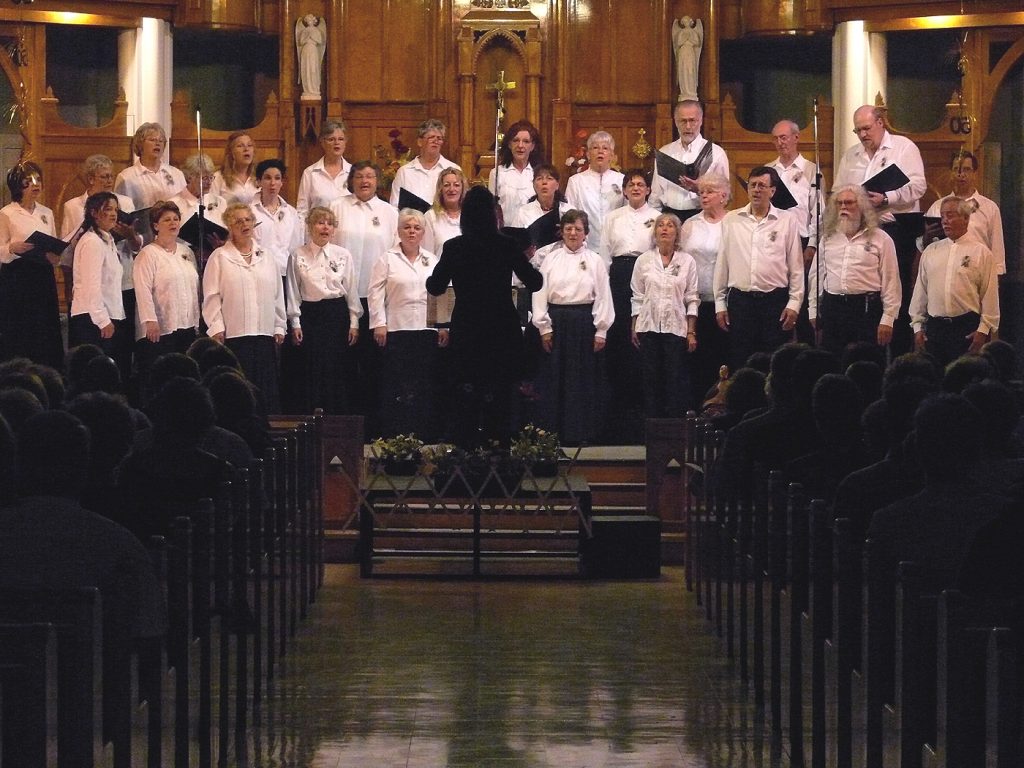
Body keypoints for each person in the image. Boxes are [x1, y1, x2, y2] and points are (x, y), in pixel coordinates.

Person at [0, 409, 167, 640]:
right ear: (84, 469)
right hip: (92, 675)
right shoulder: (119, 547)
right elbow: (150, 632)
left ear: (18, 465)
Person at [426, 186, 542, 447]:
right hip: (502, 327)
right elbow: (535, 282)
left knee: (467, 392)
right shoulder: (507, 245)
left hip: (468, 328)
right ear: (493, 215)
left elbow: (435, 286)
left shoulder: (455, 247)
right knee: (500, 393)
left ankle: (466, 454)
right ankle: (499, 454)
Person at [833, 105, 926, 355]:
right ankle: (864, 346)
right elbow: (837, 190)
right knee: (865, 289)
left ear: (881, 123)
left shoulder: (903, 147)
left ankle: (898, 352)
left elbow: (919, 186)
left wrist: (886, 197)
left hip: (896, 228)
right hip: (859, 231)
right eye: (858, 130)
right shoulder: (851, 156)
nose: (862, 135)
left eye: (866, 128)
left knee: (898, 290)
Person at [531, 210, 614, 444]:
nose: (573, 233)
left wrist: (601, 330)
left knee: (581, 379)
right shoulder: (551, 259)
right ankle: (551, 433)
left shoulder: (595, 260)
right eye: (568, 228)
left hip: (583, 322)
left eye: (578, 229)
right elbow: (540, 293)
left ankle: (580, 433)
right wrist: (544, 327)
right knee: (554, 377)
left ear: (586, 232)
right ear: (562, 231)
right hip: (557, 320)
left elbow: (603, 296)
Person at [713, 166, 803, 372]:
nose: (756, 190)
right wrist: (720, 303)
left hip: (775, 303)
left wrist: (795, 303)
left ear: (772, 191)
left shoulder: (787, 221)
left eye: (762, 185)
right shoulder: (731, 219)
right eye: (752, 185)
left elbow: (796, 266)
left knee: (773, 363)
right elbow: (722, 262)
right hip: (741, 303)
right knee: (741, 361)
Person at [367, 208, 447, 439]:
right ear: (399, 231)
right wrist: (379, 323)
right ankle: (397, 433)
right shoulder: (387, 259)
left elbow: (440, 292)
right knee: (398, 383)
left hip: (425, 329)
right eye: (407, 227)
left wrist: (442, 325)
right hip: (396, 328)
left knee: (424, 382)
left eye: (417, 228)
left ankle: (424, 432)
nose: (412, 232)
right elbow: (375, 293)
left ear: (423, 232)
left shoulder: (431, 260)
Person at [329, 162, 398, 428]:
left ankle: (374, 422)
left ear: (377, 180)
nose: (365, 181)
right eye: (359, 176)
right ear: (351, 181)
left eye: (370, 176)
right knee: (345, 361)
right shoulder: (337, 207)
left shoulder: (389, 212)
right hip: (342, 296)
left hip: (376, 298)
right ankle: (346, 422)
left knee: (374, 363)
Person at [202, 202, 287, 412]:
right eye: (238, 221)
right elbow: (211, 295)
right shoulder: (220, 257)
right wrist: (216, 327)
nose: (244, 224)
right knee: (240, 389)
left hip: (264, 334)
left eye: (247, 220)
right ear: (230, 227)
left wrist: (279, 326)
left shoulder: (266, 256)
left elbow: (277, 294)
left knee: (266, 390)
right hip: (235, 335)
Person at [807, 184, 901, 355]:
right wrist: (813, 310)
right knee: (832, 363)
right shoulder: (827, 239)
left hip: (865, 310)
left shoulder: (881, 239)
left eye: (849, 203)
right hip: (832, 309)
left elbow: (891, 280)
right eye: (839, 203)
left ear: (862, 207)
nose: (843, 207)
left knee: (865, 364)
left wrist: (888, 318)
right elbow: (816, 277)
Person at [601, 169, 659, 440]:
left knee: (643, 336)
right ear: (624, 191)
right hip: (619, 275)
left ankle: (642, 403)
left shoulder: (657, 217)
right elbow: (604, 255)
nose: (636, 188)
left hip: (647, 273)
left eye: (640, 184)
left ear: (648, 190)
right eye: (631, 184)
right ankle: (619, 405)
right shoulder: (612, 218)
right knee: (620, 335)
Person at [286, 206, 362, 414]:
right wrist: (295, 323)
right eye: (320, 222)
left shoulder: (343, 255)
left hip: (337, 315)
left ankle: (336, 419)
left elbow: (351, 290)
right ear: (310, 226)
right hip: (310, 315)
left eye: (329, 223)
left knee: (337, 368)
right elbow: (293, 290)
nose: (325, 227)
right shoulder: (297, 255)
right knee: (311, 368)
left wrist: (354, 321)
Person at [909, 197, 999, 369]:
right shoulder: (931, 251)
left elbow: (990, 294)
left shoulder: (981, 252)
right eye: (942, 216)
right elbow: (920, 292)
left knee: (964, 379)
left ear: (965, 218)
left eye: (950, 215)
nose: (945, 221)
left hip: (966, 328)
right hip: (935, 329)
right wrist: (918, 326)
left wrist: (983, 330)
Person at [629, 212, 699, 418]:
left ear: (677, 233)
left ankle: (673, 429)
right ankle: (652, 427)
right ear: (655, 232)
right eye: (661, 225)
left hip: (676, 328)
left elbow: (692, 297)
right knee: (650, 380)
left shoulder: (687, 261)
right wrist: (635, 324)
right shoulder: (643, 260)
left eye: (670, 225)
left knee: (674, 379)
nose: (665, 228)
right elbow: (637, 295)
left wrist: (691, 331)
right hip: (648, 327)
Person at [0, 162, 65, 369]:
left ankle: (47, 371)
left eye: (38, 180)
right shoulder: (7, 213)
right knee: (20, 326)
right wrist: (12, 248)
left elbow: (53, 242)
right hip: (18, 275)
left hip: (42, 274)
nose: (35, 185)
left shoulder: (46, 212)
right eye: (29, 181)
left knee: (44, 326)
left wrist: (56, 257)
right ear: (18, 186)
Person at [132, 200, 200, 375]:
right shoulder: (148, 254)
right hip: (159, 330)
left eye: (176, 219)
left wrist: (196, 320)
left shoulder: (186, 252)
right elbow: (142, 289)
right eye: (167, 220)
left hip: (186, 326)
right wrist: (150, 321)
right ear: (156, 225)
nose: (173, 223)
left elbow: (194, 288)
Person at [680, 172, 730, 407]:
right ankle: (697, 409)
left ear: (724, 195)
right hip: (695, 302)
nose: (704, 196)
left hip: (725, 302)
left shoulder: (734, 222)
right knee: (697, 357)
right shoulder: (690, 224)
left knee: (723, 357)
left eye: (709, 191)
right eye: (701, 192)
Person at [69, 192, 130, 374]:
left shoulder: (107, 239)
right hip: (93, 320)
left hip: (108, 315)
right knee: (94, 374)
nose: (114, 214)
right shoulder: (92, 242)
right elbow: (90, 285)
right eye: (108, 209)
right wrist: (102, 320)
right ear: (94, 213)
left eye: (116, 210)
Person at [923, 150, 1006, 276]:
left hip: (978, 271)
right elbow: (924, 246)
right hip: (944, 270)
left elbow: (997, 248)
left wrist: (997, 277)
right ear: (951, 173)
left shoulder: (989, 208)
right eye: (956, 169)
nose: (961, 174)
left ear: (974, 173)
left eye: (967, 169)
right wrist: (927, 237)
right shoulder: (937, 207)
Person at [649, 100, 730, 222]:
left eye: (692, 120)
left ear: (701, 121)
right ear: (675, 122)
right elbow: (656, 193)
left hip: (702, 217)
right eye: (683, 121)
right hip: (669, 218)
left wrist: (699, 189)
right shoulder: (665, 152)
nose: (688, 126)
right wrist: (654, 220)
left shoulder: (716, 153)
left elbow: (725, 195)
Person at [768, 120, 822, 265]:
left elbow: (818, 211)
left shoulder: (811, 170)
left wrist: (812, 244)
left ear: (796, 138)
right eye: (776, 138)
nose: (780, 143)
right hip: (772, 238)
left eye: (783, 137)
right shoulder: (769, 170)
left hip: (800, 238)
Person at [564, 131, 625, 251]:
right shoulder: (576, 181)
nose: (600, 151)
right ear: (588, 154)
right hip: (585, 245)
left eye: (605, 148)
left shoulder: (622, 180)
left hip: (616, 245)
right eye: (595, 147)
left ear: (612, 155)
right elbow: (569, 214)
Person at [168, 153, 227, 263]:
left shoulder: (220, 202)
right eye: (204, 178)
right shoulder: (174, 204)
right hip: (183, 260)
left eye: (211, 177)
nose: (209, 182)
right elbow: (166, 239)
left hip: (216, 259)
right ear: (190, 177)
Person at [389, 119, 460, 209]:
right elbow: (394, 207)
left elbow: (461, 204)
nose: (436, 141)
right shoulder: (405, 172)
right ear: (420, 142)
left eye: (439, 138)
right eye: (431, 137)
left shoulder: (453, 169)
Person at [250, 158, 303, 280]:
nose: (272, 183)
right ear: (259, 181)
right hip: (258, 274)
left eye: (277, 178)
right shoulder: (249, 212)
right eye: (267, 178)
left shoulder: (290, 212)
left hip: (285, 273)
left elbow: (296, 247)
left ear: (282, 182)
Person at [114, 122, 187, 209]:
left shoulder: (176, 174)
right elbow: (120, 210)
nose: (157, 143)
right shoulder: (126, 177)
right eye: (152, 140)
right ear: (140, 144)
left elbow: (184, 205)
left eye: (161, 140)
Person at [488, 119, 544, 225]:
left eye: (526, 141)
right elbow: (491, 209)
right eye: (516, 140)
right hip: (506, 234)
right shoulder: (497, 173)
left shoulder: (539, 174)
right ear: (509, 144)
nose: (520, 145)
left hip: (532, 234)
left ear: (532, 146)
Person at [296, 120, 352, 221]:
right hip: (318, 233)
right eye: (331, 139)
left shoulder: (353, 172)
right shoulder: (310, 173)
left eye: (341, 139)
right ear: (322, 142)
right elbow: (302, 211)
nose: (336, 143)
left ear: (345, 143)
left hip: (346, 233)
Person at [423, 166, 466, 256]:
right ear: (440, 189)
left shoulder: (470, 216)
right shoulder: (430, 217)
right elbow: (426, 254)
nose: (451, 189)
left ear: (462, 189)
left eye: (456, 185)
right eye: (446, 185)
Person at [209, 130, 258, 205]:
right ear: (231, 152)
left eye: (249, 145)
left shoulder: (259, 176)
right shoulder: (218, 178)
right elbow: (212, 208)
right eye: (240, 146)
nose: (246, 149)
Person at [672, 16, 703, 101]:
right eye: (684, 21)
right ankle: (684, 91)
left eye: (687, 21)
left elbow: (697, 43)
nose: (686, 22)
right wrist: (685, 39)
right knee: (683, 71)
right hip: (683, 52)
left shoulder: (693, 32)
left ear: (690, 22)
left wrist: (690, 39)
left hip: (690, 51)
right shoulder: (681, 32)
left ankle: (691, 91)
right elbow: (678, 43)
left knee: (690, 71)